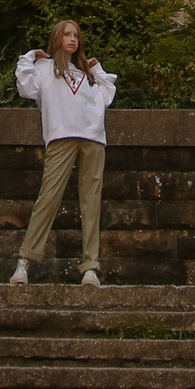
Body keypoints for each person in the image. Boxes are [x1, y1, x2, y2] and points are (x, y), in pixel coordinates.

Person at [10, 19, 116, 287]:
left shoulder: (85, 72)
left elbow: (106, 97)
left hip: (93, 138)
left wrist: (96, 69)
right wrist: (29, 57)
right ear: (57, 38)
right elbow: (26, 88)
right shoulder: (44, 69)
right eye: (67, 35)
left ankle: (90, 268)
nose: (72, 40)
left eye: (76, 36)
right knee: (48, 197)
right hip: (61, 136)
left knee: (91, 202)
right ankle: (24, 262)